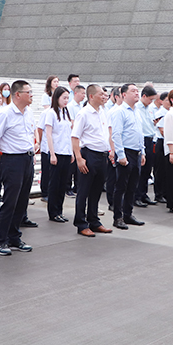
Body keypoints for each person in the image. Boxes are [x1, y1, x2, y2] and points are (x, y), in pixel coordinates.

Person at [0, 80, 36, 255]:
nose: (31, 95)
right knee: (10, 202)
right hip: (12, 160)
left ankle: (15, 237)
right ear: (18, 94)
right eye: (28, 92)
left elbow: (30, 134)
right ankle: (1, 241)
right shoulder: (5, 113)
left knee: (22, 201)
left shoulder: (29, 112)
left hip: (27, 159)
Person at [71, 84, 114, 237]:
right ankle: (81, 223)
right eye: (101, 94)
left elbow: (106, 133)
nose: (104, 96)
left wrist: (110, 150)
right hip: (89, 155)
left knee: (96, 191)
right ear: (91, 96)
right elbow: (75, 137)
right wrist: (79, 158)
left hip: (102, 156)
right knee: (84, 191)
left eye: (105, 94)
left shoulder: (103, 112)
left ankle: (94, 221)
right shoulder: (84, 113)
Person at [109, 84, 145, 229]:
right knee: (121, 187)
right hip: (126, 152)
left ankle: (128, 214)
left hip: (136, 152)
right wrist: (121, 155)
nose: (137, 93)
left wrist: (142, 152)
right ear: (123, 94)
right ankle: (118, 217)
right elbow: (116, 134)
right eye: (133, 91)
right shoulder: (119, 111)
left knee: (132, 186)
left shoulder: (137, 111)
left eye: (137, 91)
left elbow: (139, 132)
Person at [42, 86, 73, 224]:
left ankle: (59, 211)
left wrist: (71, 152)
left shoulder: (66, 112)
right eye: (64, 98)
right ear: (57, 98)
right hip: (56, 152)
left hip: (66, 152)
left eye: (68, 98)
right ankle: (53, 212)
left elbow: (69, 135)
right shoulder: (51, 113)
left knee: (62, 184)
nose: (66, 100)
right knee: (54, 184)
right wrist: (52, 154)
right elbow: (49, 134)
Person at [134, 85, 158, 206]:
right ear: (144, 96)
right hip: (141, 139)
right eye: (150, 99)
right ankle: (136, 196)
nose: (151, 102)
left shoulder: (151, 108)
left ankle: (144, 194)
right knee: (140, 169)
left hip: (150, 139)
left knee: (147, 169)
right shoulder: (136, 108)